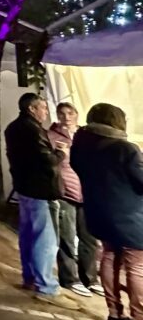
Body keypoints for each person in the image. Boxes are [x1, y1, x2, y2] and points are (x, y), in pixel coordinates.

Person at [71, 103, 143, 320]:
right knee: (137, 266)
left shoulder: (81, 146)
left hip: (99, 213)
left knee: (109, 257)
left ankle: (114, 314)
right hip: (130, 217)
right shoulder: (126, 149)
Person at [4, 93, 79, 310]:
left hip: (25, 188)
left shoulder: (13, 127)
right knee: (45, 239)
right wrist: (60, 154)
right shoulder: (32, 129)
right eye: (43, 108)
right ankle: (46, 286)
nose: (46, 112)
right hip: (39, 190)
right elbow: (44, 160)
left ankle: (30, 277)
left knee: (28, 235)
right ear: (32, 109)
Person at [47, 102, 101, 297]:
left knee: (89, 239)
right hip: (65, 192)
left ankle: (90, 278)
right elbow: (49, 162)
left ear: (77, 114)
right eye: (62, 113)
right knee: (67, 238)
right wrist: (60, 153)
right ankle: (70, 278)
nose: (66, 117)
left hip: (86, 192)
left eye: (70, 113)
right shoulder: (51, 136)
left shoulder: (85, 135)